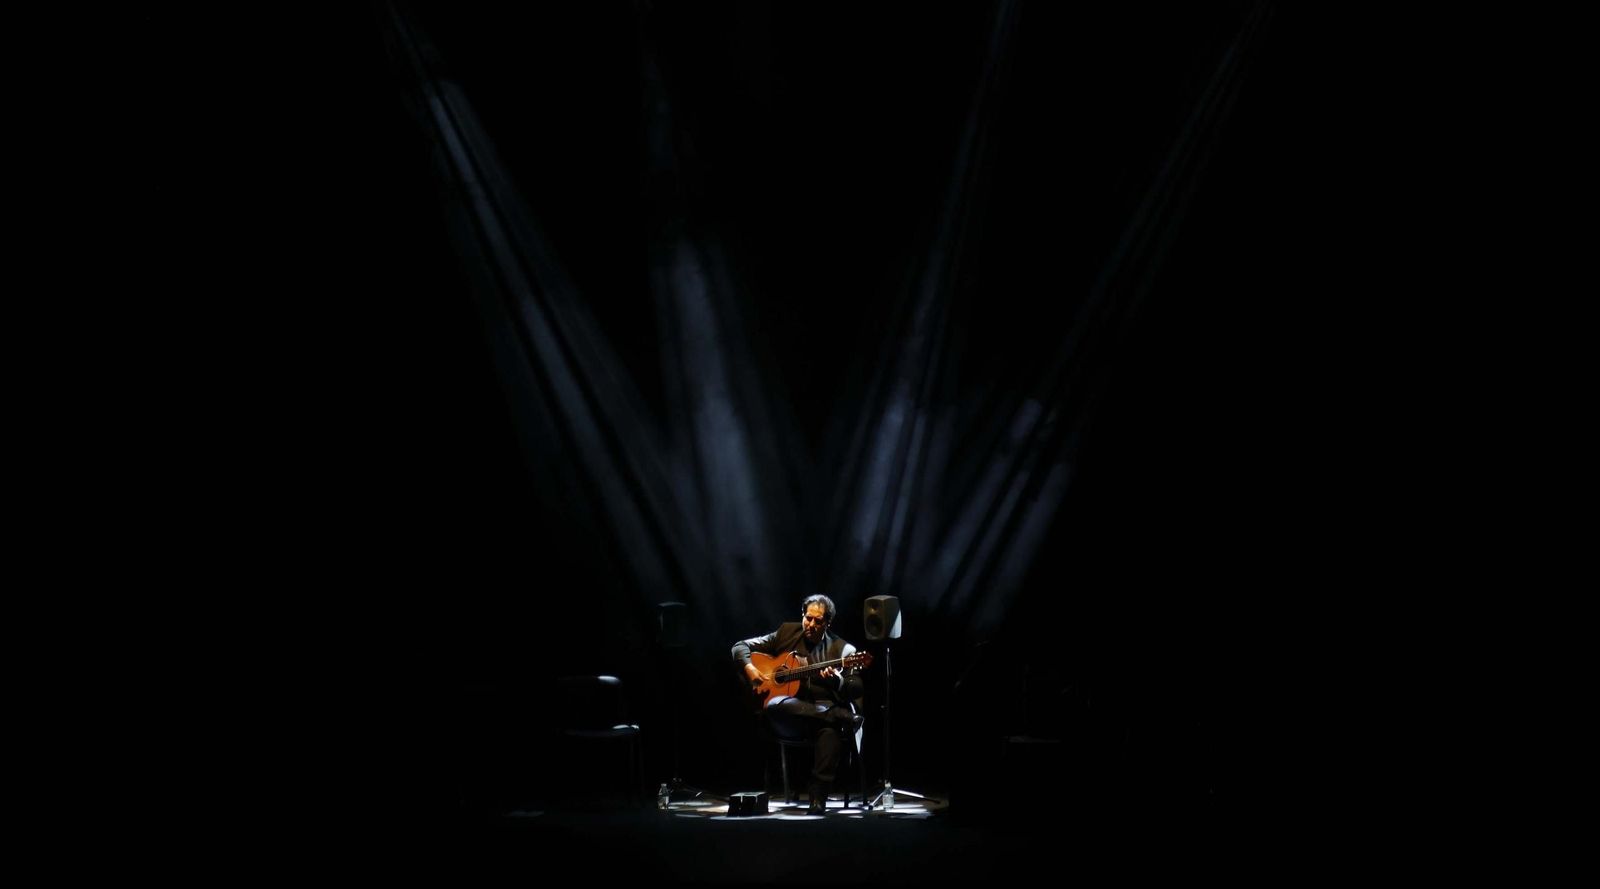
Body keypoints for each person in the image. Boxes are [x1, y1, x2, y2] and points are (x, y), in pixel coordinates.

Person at [732, 594, 866, 813]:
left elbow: (856, 687)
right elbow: (740, 647)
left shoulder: (843, 651)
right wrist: (749, 667)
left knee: (830, 730)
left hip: (818, 724)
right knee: (774, 703)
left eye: (818, 621)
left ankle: (817, 798)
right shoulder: (786, 632)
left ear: (828, 622)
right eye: (807, 618)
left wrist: (838, 681)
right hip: (789, 718)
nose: (811, 625)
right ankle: (835, 714)